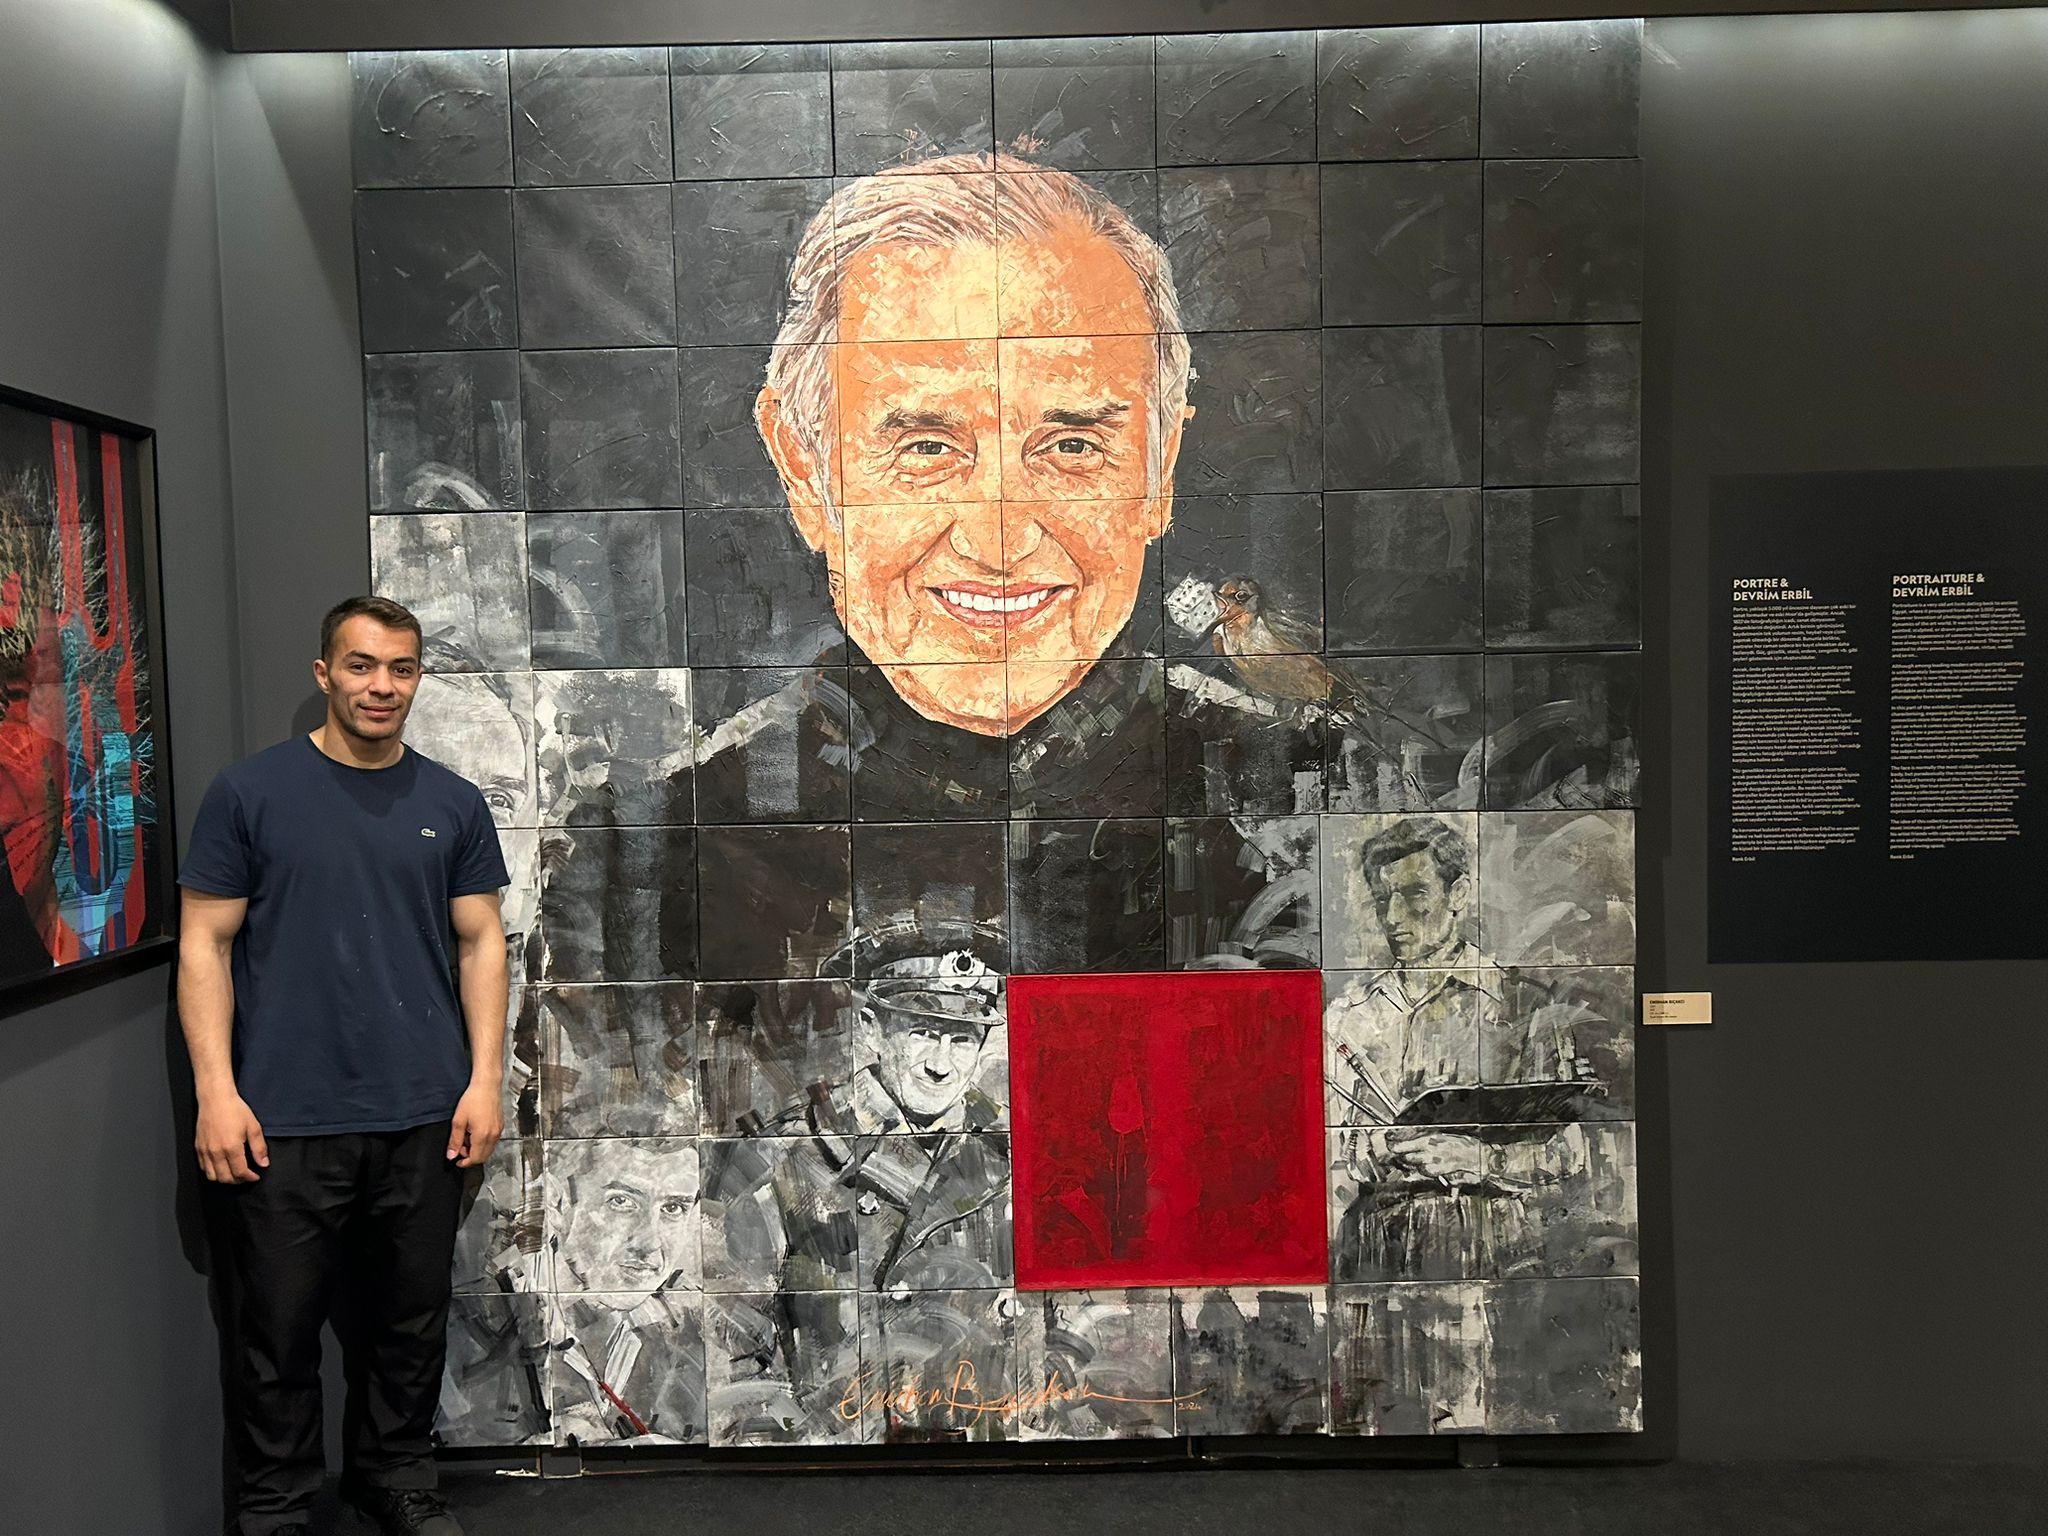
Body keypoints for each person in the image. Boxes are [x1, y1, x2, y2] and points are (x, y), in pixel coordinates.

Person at [179, 595, 509, 1536]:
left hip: (424, 1111)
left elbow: (482, 942)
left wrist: (485, 1081)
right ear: (324, 674)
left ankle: (394, 1477)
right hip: (283, 1115)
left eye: (400, 669)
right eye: (362, 666)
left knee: (410, 1322)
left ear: (417, 679)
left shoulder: (452, 802)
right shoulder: (250, 794)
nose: (382, 686)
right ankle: (277, 1507)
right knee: (275, 1335)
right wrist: (215, 1092)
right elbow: (204, 944)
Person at [1325, 815, 1593, 1281]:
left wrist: (1477, 1158)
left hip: (1489, 1248)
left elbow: (1569, 1154)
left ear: (1459, 894)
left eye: (1414, 894)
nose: (1393, 917)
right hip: (1372, 1253)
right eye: (1383, 899)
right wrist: (1358, 1151)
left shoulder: (1523, 1006)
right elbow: (1323, 1150)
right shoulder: (1348, 1015)